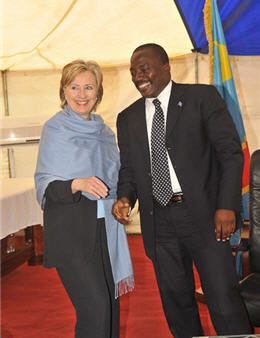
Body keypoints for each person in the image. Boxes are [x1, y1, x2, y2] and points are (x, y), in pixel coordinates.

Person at [112, 43, 252, 337]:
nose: (139, 76)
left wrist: (227, 205)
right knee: (176, 302)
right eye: (133, 71)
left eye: (145, 68)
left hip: (205, 216)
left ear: (166, 67)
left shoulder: (201, 98)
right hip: (158, 221)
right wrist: (124, 196)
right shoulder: (127, 118)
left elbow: (230, 153)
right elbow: (130, 169)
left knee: (223, 299)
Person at [35, 59, 134, 338]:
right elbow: (46, 188)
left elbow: (114, 179)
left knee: (111, 307)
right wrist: (77, 184)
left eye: (89, 87)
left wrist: (121, 200)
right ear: (63, 91)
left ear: (98, 92)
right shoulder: (55, 129)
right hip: (70, 234)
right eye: (74, 87)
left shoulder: (104, 131)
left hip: (105, 229)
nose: (82, 94)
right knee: (96, 306)